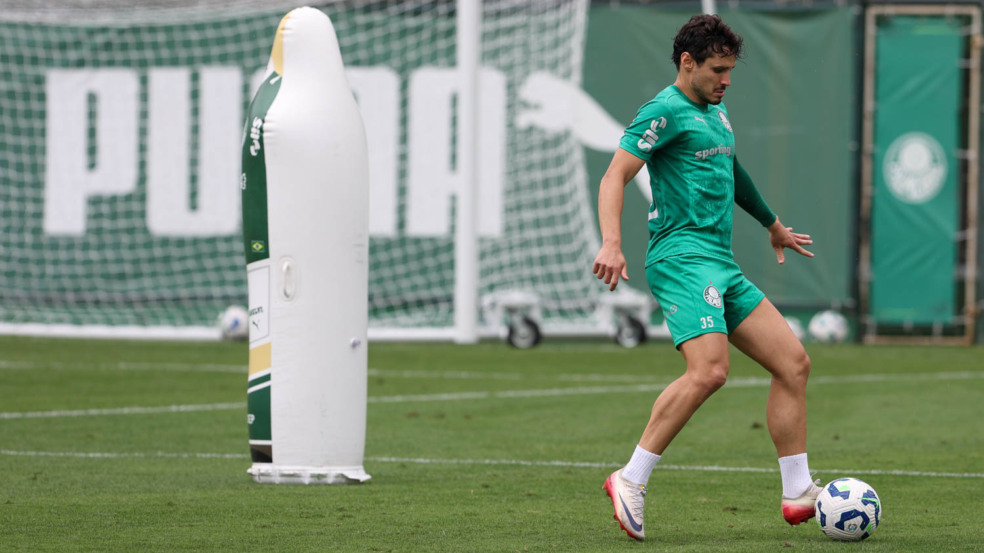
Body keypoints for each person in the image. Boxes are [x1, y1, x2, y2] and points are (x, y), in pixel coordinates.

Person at [592, 14, 819, 541]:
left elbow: (733, 172)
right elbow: (615, 174)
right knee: (711, 371)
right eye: (718, 69)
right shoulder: (663, 110)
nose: (727, 80)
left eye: (732, 69)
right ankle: (630, 478)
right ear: (687, 63)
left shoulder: (717, 113)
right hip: (681, 259)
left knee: (794, 363)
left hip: (721, 261)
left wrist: (773, 225)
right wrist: (611, 242)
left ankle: (797, 491)